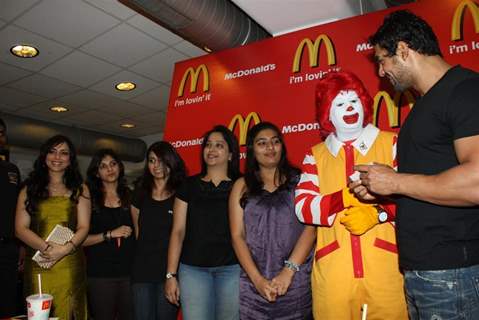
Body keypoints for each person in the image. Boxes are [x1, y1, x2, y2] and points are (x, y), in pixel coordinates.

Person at [350, 10, 479, 320]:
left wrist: (395, 182)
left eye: (383, 59)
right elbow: (430, 183)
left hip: (453, 274)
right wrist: (384, 188)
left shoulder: (465, 90)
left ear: (404, 50)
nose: (381, 72)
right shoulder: (424, 104)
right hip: (426, 273)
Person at [295, 71, 408, 320]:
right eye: (340, 103)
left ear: (364, 103)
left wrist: (377, 214)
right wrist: (344, 197)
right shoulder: (316, 155)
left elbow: (412, 199)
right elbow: (303, 207)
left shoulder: (391, 143)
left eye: (354, 100)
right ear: (328, 112)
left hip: (386, 269)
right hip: (334, 274)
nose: (349, 108)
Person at [229, 122, 315, 319]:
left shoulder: (300, 180)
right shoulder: (242, 186)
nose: (270, 147)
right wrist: (257, 280)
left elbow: (311, 229)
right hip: (253, 288)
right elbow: (237, 236)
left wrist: (288, 272)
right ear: (252, 150)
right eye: (262, 143)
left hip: (296, 284)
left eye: (275, 142)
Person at [165, 125, 241, 320]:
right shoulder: (188, 186)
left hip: (232, 269)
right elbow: (178, 231)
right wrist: (170, 275)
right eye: (208, 145)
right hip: (193, 270)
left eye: (219, 145)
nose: (212, 149)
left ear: (231, 154)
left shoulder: (243, 185)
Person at [15, 134, 91, 320]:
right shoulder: (29, 188)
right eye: (52, 152)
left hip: (70, 263)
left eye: (64, 153)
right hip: (39, 262)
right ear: (44, 156)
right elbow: (20, 228)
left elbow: (84, 226)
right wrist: (48, 249)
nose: (57, 157)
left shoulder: (81, 189)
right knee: (40, 312)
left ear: (70, 159)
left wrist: (64, 250)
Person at [131, 141, 186, 320]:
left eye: (162, 161)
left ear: (171, 162)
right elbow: (139, 234)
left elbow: (182, 235)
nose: (157, 166)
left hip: (170, 272)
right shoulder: (140, 194)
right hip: (142, 272)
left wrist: (173, 274)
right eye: (152, 160)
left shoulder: (182, 194)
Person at [83, 149, 134, 320]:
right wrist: (109, 234)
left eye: (113, 164)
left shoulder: (131, 196)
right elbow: (79, 240)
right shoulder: (88, 198)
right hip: (100, 274)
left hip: (130, 272)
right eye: (103, 166)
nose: (109, 169)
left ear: (119, 167)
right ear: (97, 173)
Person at [0, 118, 22, 318]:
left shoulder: (11, 170)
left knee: (8, 303)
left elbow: (19, 210)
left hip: (9, 248)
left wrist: (21, 245)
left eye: (1, 132)